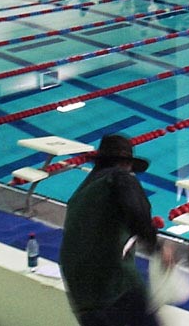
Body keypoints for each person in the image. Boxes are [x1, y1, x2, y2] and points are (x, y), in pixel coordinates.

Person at [60, 134, 173, 326]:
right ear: (126, 164)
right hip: (113, 284)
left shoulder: (80, 194)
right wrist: (157, 248)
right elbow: (137, 211)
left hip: (79, 290)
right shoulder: (120, 177)